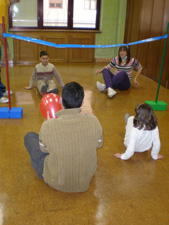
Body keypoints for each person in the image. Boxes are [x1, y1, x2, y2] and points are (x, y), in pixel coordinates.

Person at [24, 82, 103, 192]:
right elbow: (99, 144)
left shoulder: (48, 125)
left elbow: (44, 149)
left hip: (55, 180)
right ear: (82, 102)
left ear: (60, 100)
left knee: (29, 137)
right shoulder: (94, 121)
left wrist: (49, 125)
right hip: (85, 179)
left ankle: (44, 172)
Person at [0, 0, 19, 103]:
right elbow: (0, 28)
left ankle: (1, 90)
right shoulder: (2, 4)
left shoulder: (6, 4)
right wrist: (6, 47)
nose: (17, 1)